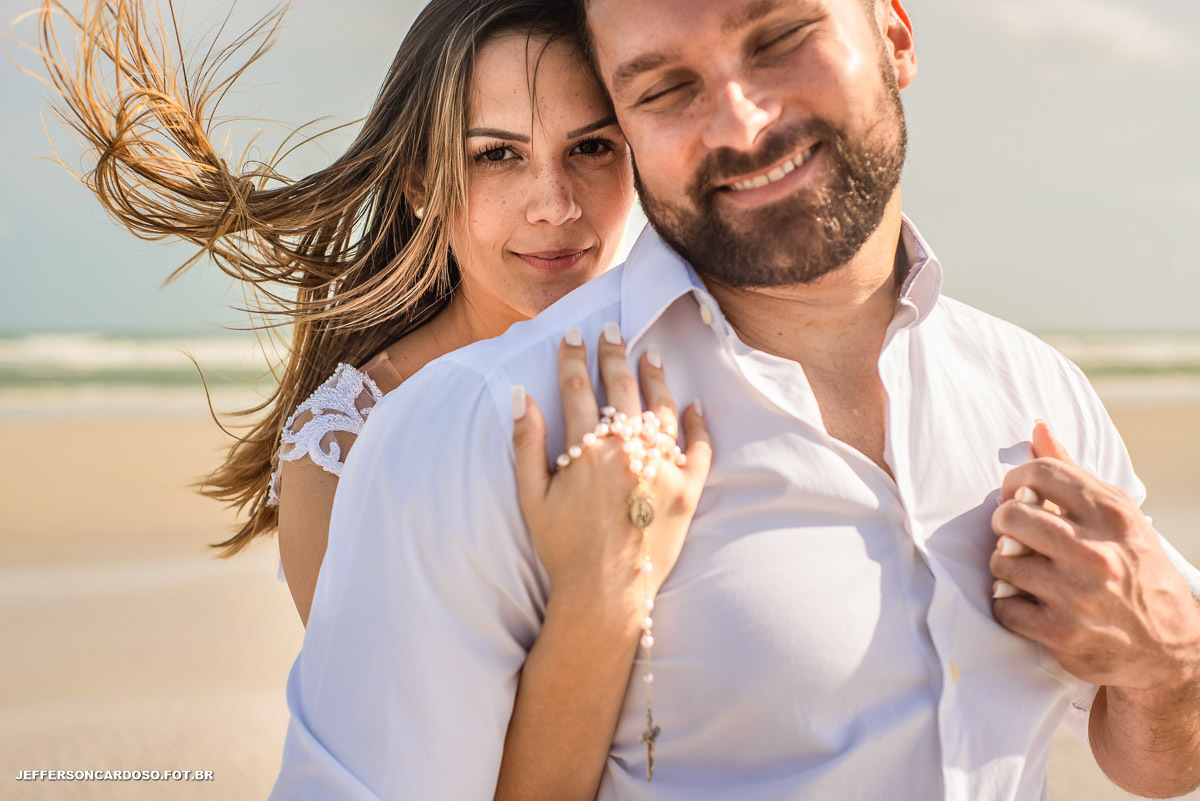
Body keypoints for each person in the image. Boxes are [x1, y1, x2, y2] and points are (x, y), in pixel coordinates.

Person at [271, 0, 1200, 798]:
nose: (743, 122)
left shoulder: (1034, 392)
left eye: (779, 34)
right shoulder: (444, 431)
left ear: (897, 34)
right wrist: (605, 594)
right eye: (664, 87)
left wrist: (1170, 663)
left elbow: (1154, 745)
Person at [34, 1, 712, 798]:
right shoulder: (346, 445)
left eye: (593, 146)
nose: (555, 202)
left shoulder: (696, 348)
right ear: (422, 180)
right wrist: (606, 578)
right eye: (498, 155)